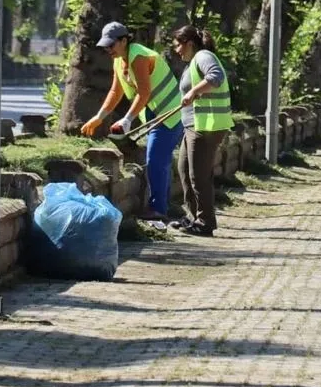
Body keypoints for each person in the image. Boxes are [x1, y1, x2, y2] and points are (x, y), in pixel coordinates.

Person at [81, 21, 184, 229]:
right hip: (158, 114)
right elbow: (115, 91)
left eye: (112, 45)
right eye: (106, 46)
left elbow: (144, 92)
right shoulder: (120, 59)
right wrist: (99, 117)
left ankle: (158, 210)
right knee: (159, 160)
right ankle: (163, 207)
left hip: (171, 114)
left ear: (125, 40)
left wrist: (127, 119)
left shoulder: (138, 56)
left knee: (155, 159)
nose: (108, 49)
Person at [168, 25, 232, 237]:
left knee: (198, 175)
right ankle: (193, 216)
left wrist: (194, 92)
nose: (177, 51)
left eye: (178, 45)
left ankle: (205, 223)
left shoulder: (204, 56)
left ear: (189, 43)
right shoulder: (192, 63)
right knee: (184, 169)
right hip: (194, 125)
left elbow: (216, 77)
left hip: (206, 125)